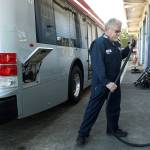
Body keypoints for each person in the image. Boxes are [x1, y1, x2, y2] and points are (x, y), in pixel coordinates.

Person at [76, 18, 135, 146]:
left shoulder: (116, 44)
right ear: (108, 29)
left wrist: (128, 48)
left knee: (114, 108)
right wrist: (106, 82)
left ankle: (112, 129)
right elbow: (97, 66)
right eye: (117, 31)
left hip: (115, 83)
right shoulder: (98, 44)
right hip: (102, 84)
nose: (118, 34)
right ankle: (82, 134)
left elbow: (120, 56)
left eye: (119, 31)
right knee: (93, 109)